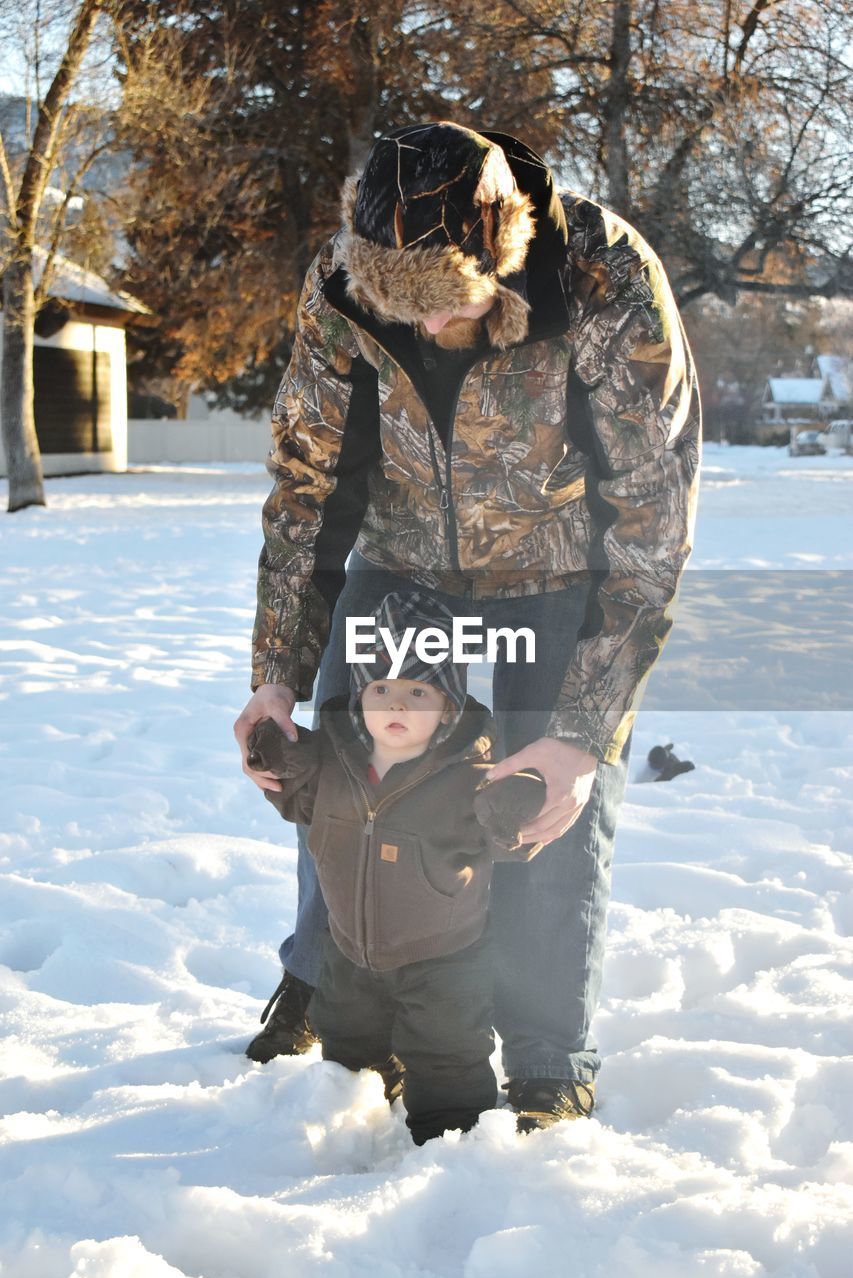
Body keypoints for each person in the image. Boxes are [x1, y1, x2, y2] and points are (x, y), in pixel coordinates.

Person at [234, 121, 701, 1127]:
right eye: (404, 311)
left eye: (446, 303)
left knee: (543, 805)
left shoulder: (603, 279)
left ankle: (545, 1057)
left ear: (502, 248)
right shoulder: (339, 283)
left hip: (557, 566)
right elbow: (309, 480)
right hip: (402, 561)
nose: (429, 329)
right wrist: (276, 669)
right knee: (345, 775)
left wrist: (580, 734)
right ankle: (326, 985)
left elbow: (653, 523)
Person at [246, 590, 545, 1144]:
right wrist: (274, 757)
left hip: (443, 960)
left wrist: (512, 808)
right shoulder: (333, 761)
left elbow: (509, 840)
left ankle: (449, 1140)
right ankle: (355, 1117)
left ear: (449, 704)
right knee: (347, 1041)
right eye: (380, 689)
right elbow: (295, 796)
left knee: (447, 1054)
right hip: (348, 950)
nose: (396, 707)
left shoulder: (467, 777)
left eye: (417, 691)